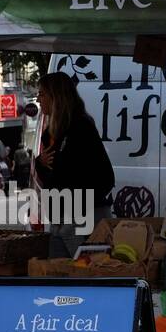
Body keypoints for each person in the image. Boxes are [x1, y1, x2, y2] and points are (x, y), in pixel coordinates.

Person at [32, 72, 115, 257]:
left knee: (85, 274)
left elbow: (102, 177)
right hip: (60, 218)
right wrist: (40, 163)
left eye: (42, 94)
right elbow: (51, 177)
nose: (38, 99)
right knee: (58, 275)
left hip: (80, 218)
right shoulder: (51, 134)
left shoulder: (80, 127)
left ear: (56, 97)